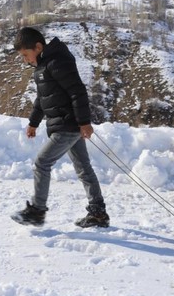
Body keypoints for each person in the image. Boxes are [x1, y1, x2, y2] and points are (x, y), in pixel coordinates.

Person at [11, 27, 109, 228]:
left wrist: (84, 122)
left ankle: (37, 211)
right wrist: (33, 123)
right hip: (65, 125)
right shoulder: (42, 67)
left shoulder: (57, 62)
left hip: (68, 125)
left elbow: (77, 92)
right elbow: (42, 99)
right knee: (83, 168)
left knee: (41, 163)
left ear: (38, 47)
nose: (25, 60)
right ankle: (98, 212)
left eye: (25, 55)